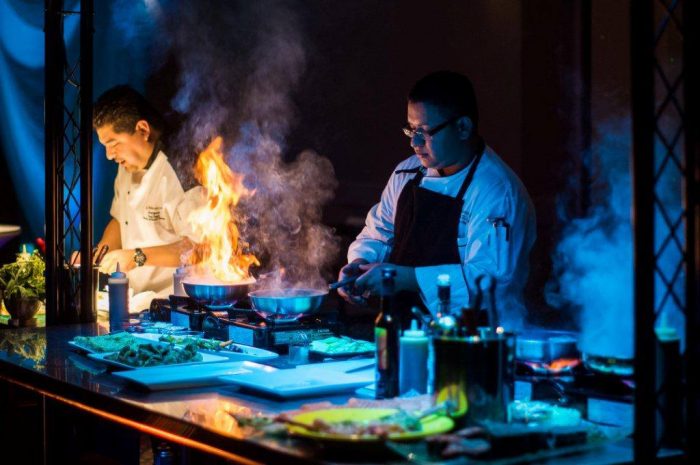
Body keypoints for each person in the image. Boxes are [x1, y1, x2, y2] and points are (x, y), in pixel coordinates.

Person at [337, 71, 536, 330]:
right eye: (411, 129)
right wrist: (359, 264)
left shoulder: (497, 191)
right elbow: (378, 234)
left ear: (463, 127)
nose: (414, 142)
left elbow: (488, 281)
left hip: (476, 336)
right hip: (409, 330)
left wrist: (404, 278)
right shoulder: (406, 174)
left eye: (425, 131)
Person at [91, 85, 203, 297]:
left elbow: (198, 248)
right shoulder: (125, 168)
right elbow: (120, 219)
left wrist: (136, 257)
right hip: (138, 300)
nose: (108, 155)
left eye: (113, 143)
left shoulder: (181, 169)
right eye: (105, 145)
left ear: (143, 130)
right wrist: (100, 254)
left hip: (177, 301)